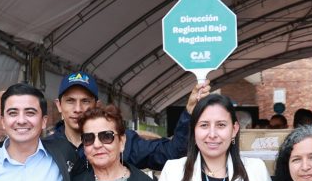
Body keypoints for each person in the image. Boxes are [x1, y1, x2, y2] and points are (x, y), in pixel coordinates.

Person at [47, 70, 208, 171]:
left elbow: (171, 153)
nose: (78, 109)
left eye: (85, 101)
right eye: (70, 101)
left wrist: (189, 113)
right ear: (59, 105)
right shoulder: (46, 149)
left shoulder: (120, 140)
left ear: (97, 105)